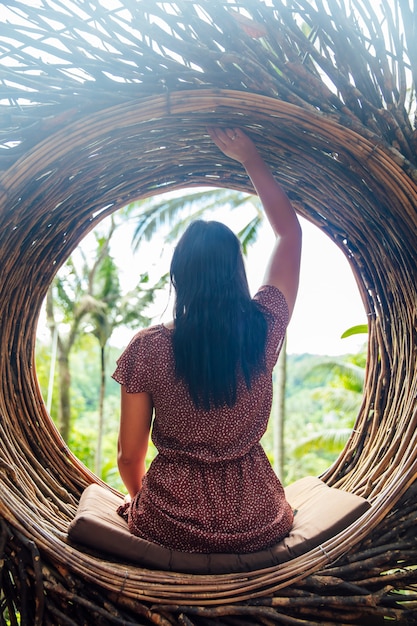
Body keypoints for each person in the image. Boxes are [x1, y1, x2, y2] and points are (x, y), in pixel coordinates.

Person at [112, 127, 302, 554]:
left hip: (168, 521)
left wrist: (141, 498)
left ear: (178, 278)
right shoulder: (263, 328)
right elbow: (290, 234)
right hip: (258, 521)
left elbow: (128, 458)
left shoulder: (147, 349)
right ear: (238, 272)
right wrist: (251, 158)